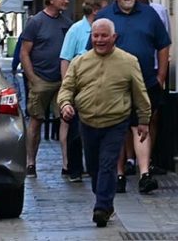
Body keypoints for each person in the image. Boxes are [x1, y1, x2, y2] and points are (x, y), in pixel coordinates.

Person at [58, 18, 151, 227]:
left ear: (114, 37)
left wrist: (144, 120)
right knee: (93, 167)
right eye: (96, 36)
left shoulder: (128, 61)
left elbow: (140, 93)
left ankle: (101, 206)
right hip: (87, 121)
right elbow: (67, 88)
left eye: (104, 36)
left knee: (108, 163)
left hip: (116, 122)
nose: (99, 40)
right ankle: (105, 201)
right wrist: (65, 104)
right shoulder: (80, 62)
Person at [94, 0, 171, 194]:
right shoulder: (105, 16)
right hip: (114, 84)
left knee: (142, 126)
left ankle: (144, 173)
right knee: (117, 129)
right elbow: (95, 46)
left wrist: (161, 75)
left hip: (145, 81)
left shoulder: (149, 15)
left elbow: (163, 45)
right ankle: (119, 174)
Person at [20, 0, 72, 178]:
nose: (66, 1)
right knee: (36, 120)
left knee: (66, 119)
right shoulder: (36, 22)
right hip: (41, 79)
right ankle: (30, 162)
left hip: (62, 80)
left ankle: (67, 164)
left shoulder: (66, 23)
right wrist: (32, 77)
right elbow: (25, 52)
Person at [58, 0, 109, 182]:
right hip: (79, 86)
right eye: (104, 7)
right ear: (96, 10)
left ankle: (94, 167)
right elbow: (65, 59)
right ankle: (75, 169)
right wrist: (67, 89)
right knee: (76, 130)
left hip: (101, 86)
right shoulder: (76, 30)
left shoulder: (106, 29)